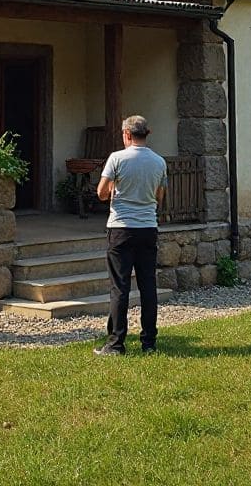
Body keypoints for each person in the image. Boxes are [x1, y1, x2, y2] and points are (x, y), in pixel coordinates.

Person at [93, 115, 167, 356]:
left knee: (120, 287)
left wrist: (115, 188)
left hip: (121, 229)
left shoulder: (117, 158)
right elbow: (159, 198)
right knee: (148, 286)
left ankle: (116, 343)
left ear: (126, 134)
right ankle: (149, 343)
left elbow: (101, 193)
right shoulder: (159, 162)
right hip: (147, 228)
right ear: (148, 133)